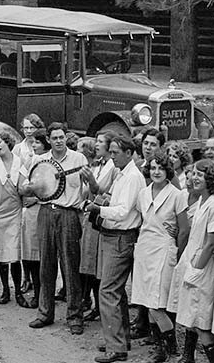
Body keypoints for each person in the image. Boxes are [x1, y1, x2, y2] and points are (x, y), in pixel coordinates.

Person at [85, 134, 145, 363]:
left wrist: (97, 209)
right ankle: (120, 340)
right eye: (110, 152)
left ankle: (116, 346)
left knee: (108, 291)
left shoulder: (131, 177)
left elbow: (122, 212)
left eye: (115, 152)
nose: (111, 156)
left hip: (121, 238)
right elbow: (118, 204)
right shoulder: (122, 173)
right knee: (116, 292)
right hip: (115, 236)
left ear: (129, 153)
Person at [23, 122, 88, 335]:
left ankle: (75, 316)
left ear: (65, 138)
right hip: (45, 213)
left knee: (70, 265)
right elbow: (27, 188)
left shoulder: (78, 159)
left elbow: (87, 190)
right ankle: (45, 313)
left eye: (61, 137)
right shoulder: (39, 160)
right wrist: (31, 188)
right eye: (55, 138)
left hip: (69, 214)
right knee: (46, 265)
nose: (59, 141)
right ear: (48, 140)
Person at [131, 151, 188, 363]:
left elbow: (183, 230)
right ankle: (161, 347)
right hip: (145, 249)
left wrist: (179, 254)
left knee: (157, 304)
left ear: (168, 171)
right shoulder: (143, 193)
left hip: (165, 250)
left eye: (161, 168)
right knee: (147, 301)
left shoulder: (176, 194)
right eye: (153, 168)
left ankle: (169, 346)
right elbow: (141, 221)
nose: (156, 172)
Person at [167, 159, 214, 363]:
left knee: (200, 321)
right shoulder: (202, 201)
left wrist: (196, 269)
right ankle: (188, 357)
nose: (195, 178)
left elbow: (211, 242)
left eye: (201, 174)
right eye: (194, 174)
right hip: (193, 261)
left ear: (211, 179)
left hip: (202, 267)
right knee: (190, 315)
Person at [0, 130, 32, 307]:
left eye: (0, 142)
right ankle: (5, 290)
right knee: (1, 255)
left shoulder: (20, 162)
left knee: (14, 256)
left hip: (15, 213)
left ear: (7, 142)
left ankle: (18, 292)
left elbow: (23, 187)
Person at [79, 132, 117, 323]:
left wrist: (92, 183)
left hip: (100, 219)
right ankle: (95, 305)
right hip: (91, 217)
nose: (96, 145)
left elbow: (103, 192)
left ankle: (102, 309)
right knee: (91, 264)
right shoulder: (98, 164)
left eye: (101, 142)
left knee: (97, 266)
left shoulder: (112, 167)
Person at [14, 113, 45, 299]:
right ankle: (27, 279)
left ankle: (39, 281)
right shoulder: (19, 149)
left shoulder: (41, 149)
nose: (28, 132)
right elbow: (21, 174)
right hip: (26, 199)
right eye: (25, 128)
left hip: (39, 201)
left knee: (37, 244)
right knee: (25, 242)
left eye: (31, 128)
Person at [19, 127, 50, 309]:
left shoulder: (47, 160)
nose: (35, 146)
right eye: (33, 143)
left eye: (38, 142)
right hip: (30, 212)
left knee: (39, 256)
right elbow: (22, 183)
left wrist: (35, 197)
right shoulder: (32, 159)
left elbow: (49, 188)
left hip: (41, 210)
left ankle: (41, 295)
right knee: (30, 254)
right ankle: (35, 290)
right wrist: (26, 192)